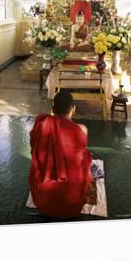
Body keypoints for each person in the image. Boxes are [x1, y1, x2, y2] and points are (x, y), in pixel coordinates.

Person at [29, 90, 92, 218]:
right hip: (73, 202)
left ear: (52, 108)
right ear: (73, 109)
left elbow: (34, 151)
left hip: (43, 201)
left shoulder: (42, 125)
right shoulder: (82, 129)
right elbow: (83, 160)